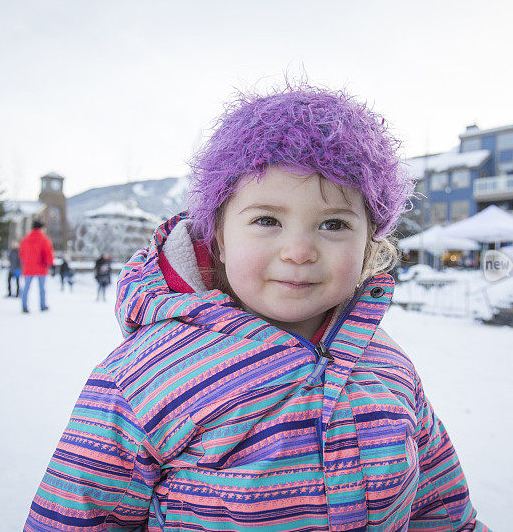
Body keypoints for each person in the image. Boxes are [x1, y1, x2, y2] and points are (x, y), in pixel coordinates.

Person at [25, 85, 488, 531]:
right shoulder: (144, 378)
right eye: (267, 220)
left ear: (369, 243)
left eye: (333, 223)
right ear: (220, 238)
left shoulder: (387, 367)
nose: (299, 250)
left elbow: (441, 510)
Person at [19, 220, 54, 313]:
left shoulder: (25, 239)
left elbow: (21, 253)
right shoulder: (44, 239)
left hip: (28, 267)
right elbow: (48, 253)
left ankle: (24, 306)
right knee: (42, 288)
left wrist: (25, 262)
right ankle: (42, 305)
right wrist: (50, 264)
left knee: (26, 287)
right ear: (41, 228)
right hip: (41, 267)